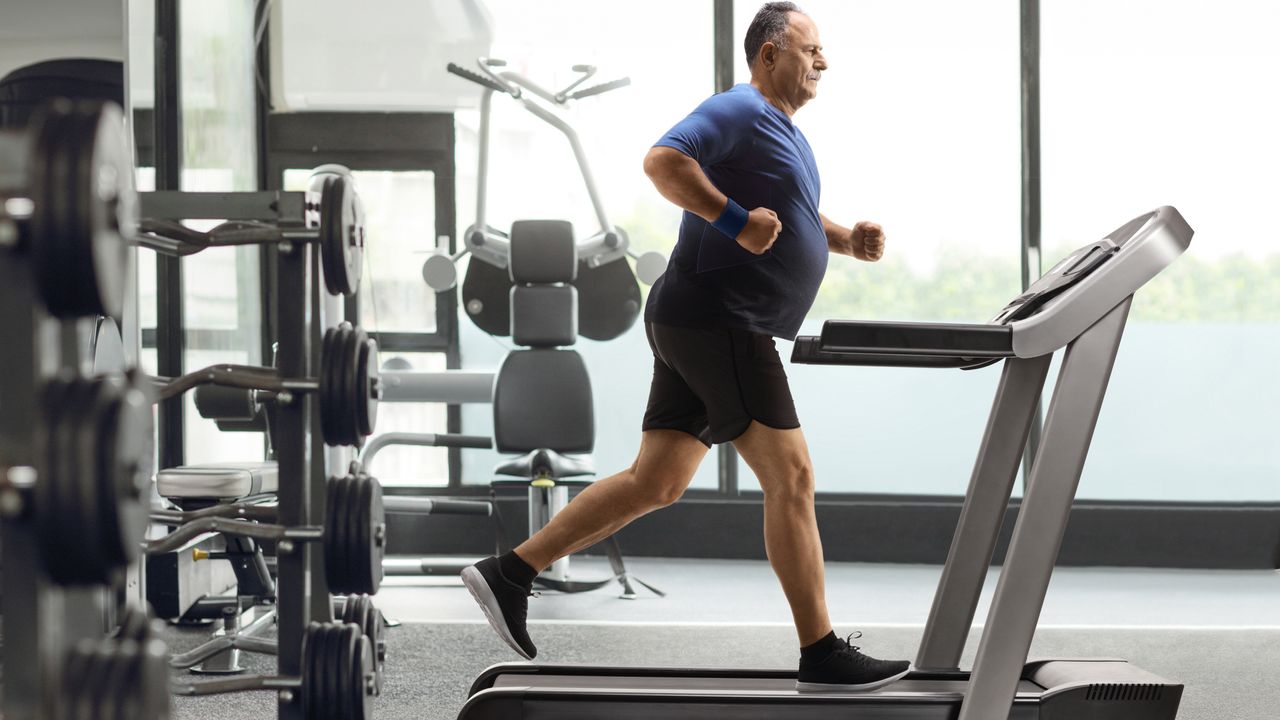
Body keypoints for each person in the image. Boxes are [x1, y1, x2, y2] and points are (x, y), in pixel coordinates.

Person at [462, 1, 911, 692]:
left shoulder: (779, 131)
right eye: (810, 48)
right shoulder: (740, 109)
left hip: (694, 317)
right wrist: (732, 222)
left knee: (657, 482)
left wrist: (844, 239)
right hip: (720, 319)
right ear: (769, 54)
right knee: (791, 478)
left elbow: (787, 212)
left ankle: (510, 571)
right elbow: (662, 161)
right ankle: (821, 653)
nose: (822, 61)